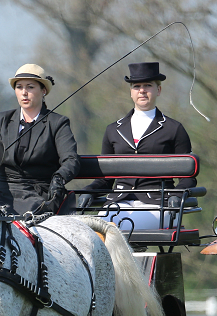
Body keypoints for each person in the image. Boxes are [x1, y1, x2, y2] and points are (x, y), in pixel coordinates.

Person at [82, 61, 195, 230]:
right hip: (119, 202)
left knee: (116, 228)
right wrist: (89, 191)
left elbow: (188, 177)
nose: (142, 90)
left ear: (158, 90)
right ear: (131, 92)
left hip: (159, 205)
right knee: (92, 230)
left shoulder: (174, 129)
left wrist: (176, 196)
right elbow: (105, 179)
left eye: (148, 85)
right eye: (136, 86)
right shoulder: (113, 130)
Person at [0, 63, 80, 215]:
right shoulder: (1, 120)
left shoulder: (57, 123)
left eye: (30, 87)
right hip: (1, 192)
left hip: (39, 195)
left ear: (43, 90)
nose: (24, 93)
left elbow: (71, 160)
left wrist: (59, 178)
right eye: (19, 87)